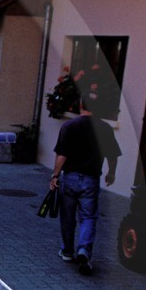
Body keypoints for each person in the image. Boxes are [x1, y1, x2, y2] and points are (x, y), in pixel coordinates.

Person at [49, 90, 121, 276]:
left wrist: (55, 176)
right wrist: (111, 173)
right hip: (91, 179)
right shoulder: (105, 128)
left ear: (80, 105)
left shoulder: (69, 126)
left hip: (70, 177)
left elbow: (62, 155)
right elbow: (112, 156)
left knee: (67, 216)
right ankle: (84, 251)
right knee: (88, 217)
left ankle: (67, 251)